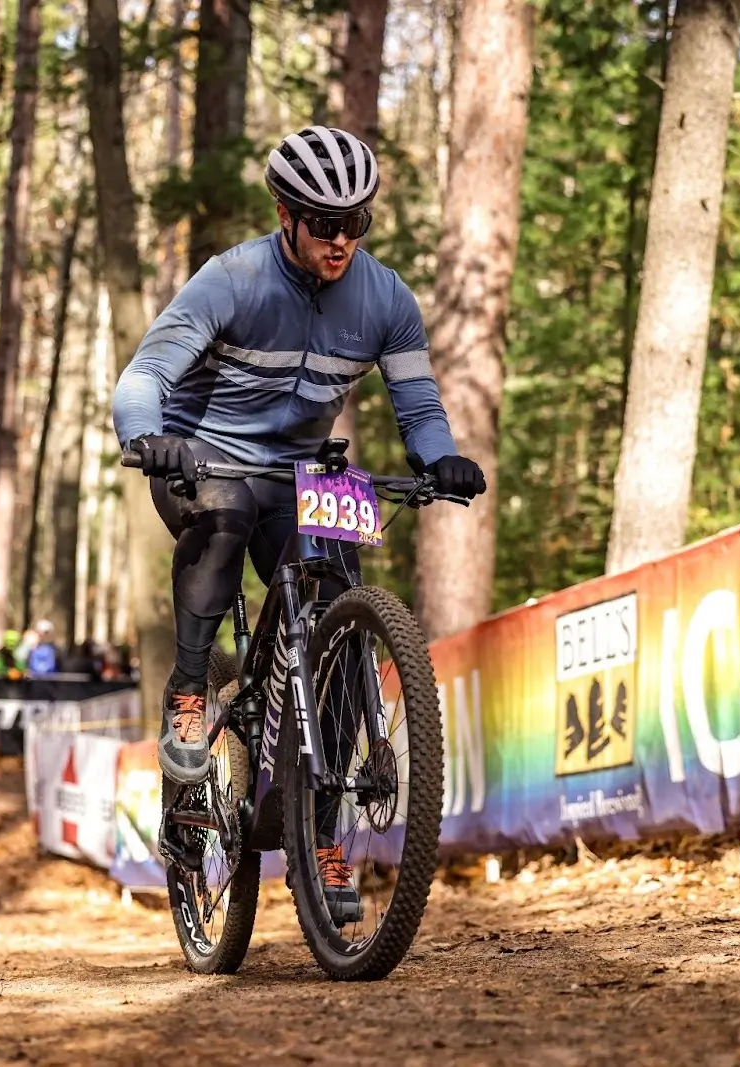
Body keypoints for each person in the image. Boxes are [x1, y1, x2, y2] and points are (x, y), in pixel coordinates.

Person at [111, 126, 488, 905]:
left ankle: (319, 839)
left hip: (301, 473)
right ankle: (189, 695)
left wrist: (438, 455)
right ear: (286, 213)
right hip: (203, 459)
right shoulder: (232, 279)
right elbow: (145, 372)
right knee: (224, 513)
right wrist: (147, 437)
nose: (342, 238)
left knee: (345, 615)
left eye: (358, 222)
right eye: (324, 222)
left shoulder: (386, 298)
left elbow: (417, 402)